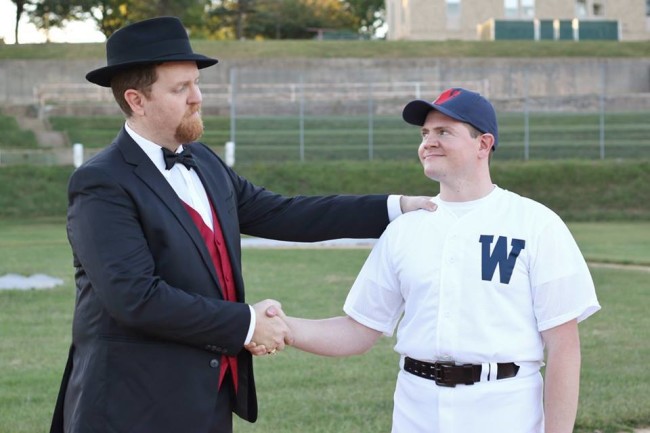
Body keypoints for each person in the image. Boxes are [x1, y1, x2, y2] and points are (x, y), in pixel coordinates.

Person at [48, 16, 435, 433]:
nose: (197, 97)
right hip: (130, 404)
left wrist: (396, 207)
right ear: (136, 100)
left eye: (196, 83)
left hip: (207, 396)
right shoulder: (101, 182)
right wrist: (248, 324)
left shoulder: (205, 161)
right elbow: (135, 298)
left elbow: (282, 212)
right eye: (180, 89)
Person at [274, 88, 601, 433]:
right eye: (425, 133)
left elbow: (564, 347)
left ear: (483, 144)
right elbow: (358, 330)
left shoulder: (535, 223)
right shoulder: (406, 228)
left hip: (506, 409)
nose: (429, 141)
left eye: (444, 132)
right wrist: (282, 327)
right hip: (417, 410)